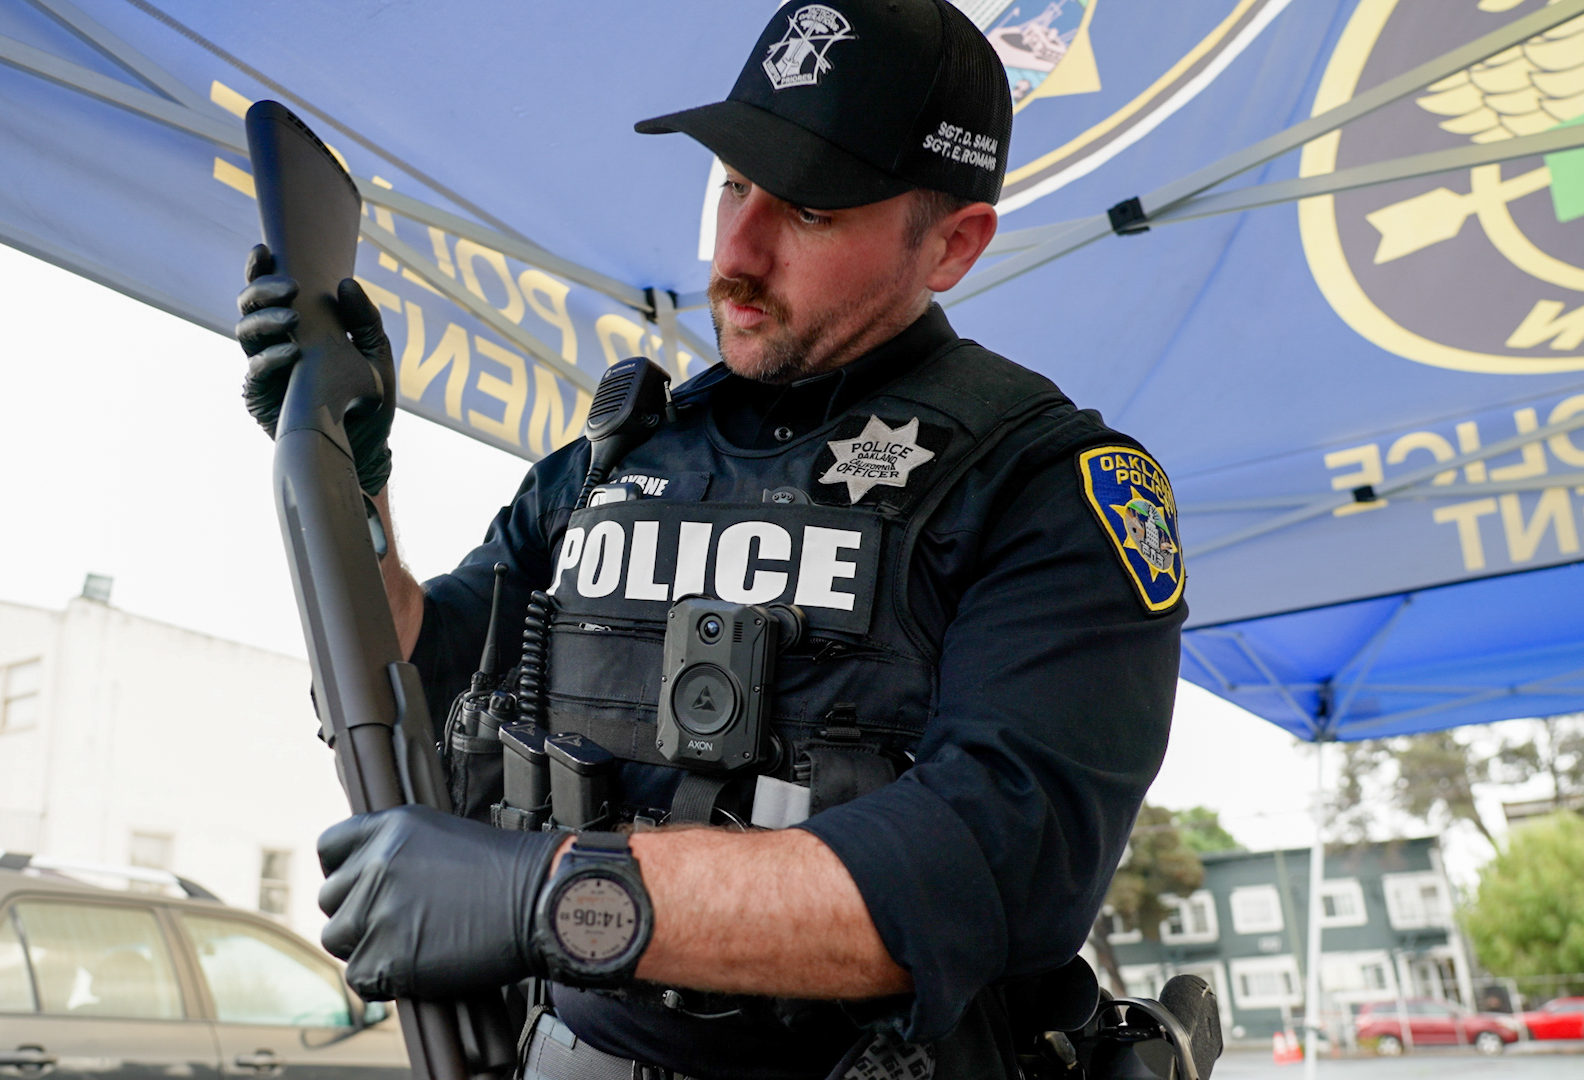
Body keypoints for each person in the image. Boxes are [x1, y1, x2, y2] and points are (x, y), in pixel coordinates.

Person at [235, 2, 1186, 1078]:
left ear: (953, 243)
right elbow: (419, 669)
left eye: (810, 211)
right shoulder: (612, 459)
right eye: (733, 184)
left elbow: (995, 867)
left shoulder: (1049, 489)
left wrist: (555, 894)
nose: (735, 253)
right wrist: (352, 471)